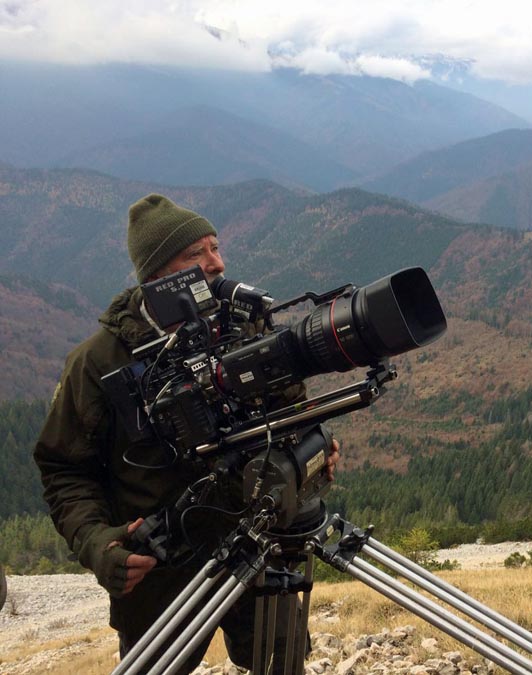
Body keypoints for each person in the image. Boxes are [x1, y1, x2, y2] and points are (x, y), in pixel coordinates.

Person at [33, 193, 339, 673]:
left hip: (260, 537)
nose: (217, 263)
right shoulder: (98, 363)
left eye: (216, 248)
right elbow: (64, 470)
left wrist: (311, 454)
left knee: (281, 661)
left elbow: (291, 412)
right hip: (159, 565)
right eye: (195, 255)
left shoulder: (244, 327)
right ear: (157, 275)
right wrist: (97, 543)